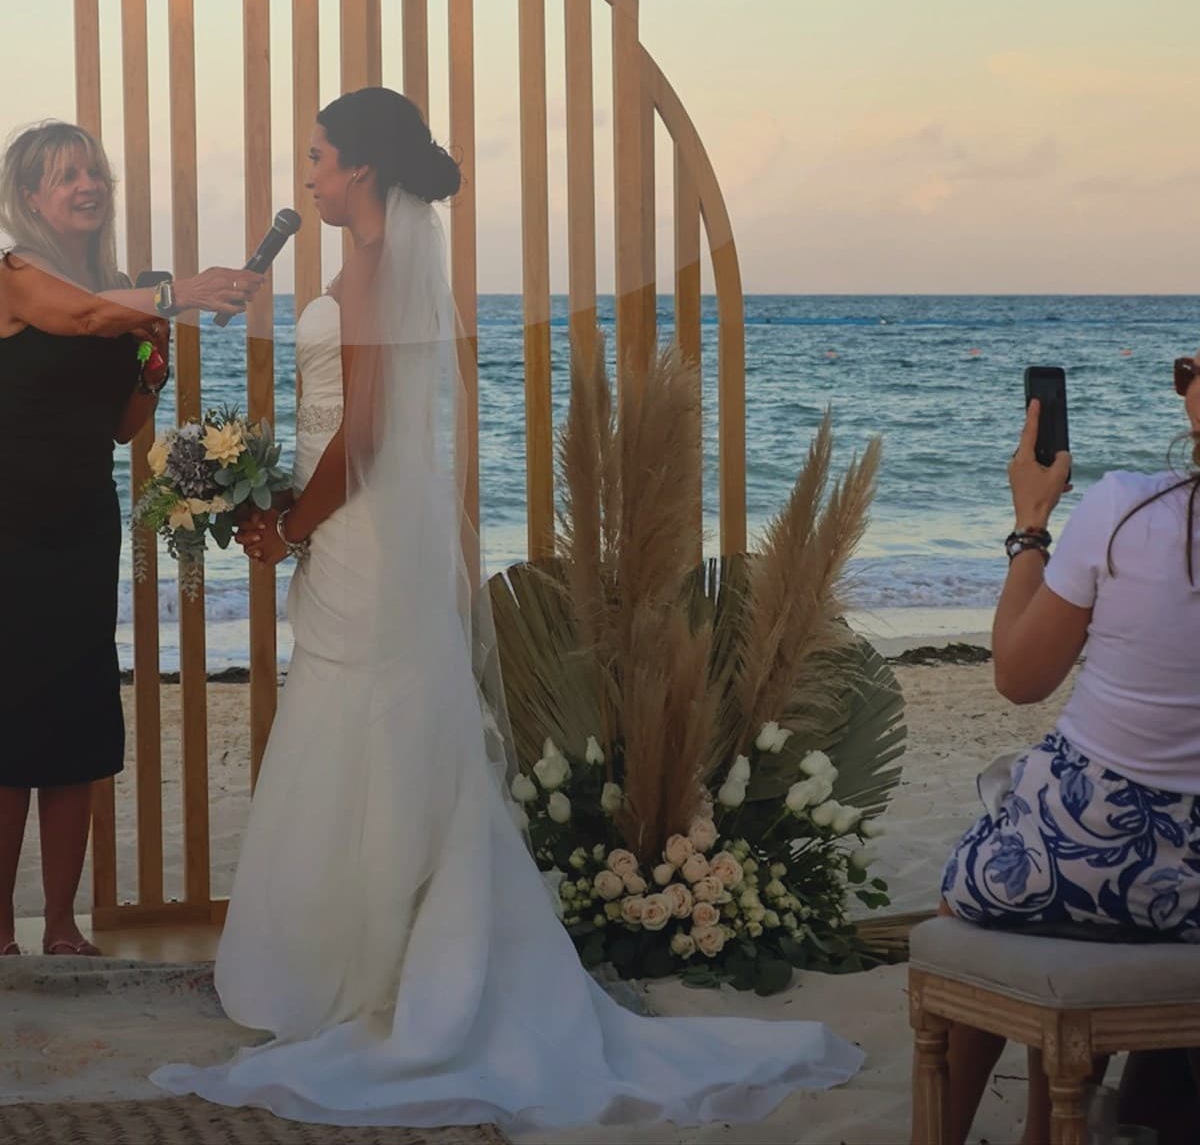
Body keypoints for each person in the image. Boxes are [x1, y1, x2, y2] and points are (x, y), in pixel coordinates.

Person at [150, 86, 863, 1132]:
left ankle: (389, 969)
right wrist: (271, 497)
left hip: (361, 535)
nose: (307, 176)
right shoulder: (365, 263)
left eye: (318, 156)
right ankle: (367, 954)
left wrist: (290, 528)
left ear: (361, 168)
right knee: (363, 728)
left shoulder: (381, 270)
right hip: (356, 537)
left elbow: (367, 435)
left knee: (377, 729)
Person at [0, 120, 263, 958]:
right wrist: (179, 292)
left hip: (82, 525)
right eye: (65, 175)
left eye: (95, 172)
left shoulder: (121, 291)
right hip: (7, 529)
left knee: (74, 723)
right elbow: (75, 318)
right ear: (31, 198)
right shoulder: (14, 276)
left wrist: (153, 359)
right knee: (8, 729)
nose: (87, 185)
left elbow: (122, 427)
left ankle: (67, 927)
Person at [937, 373, 1200, 1145]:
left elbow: (1020, 678)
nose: (1183, 385)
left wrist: (1031, 522)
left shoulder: (1128, 509)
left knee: (976, 888)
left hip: (1083, 851)